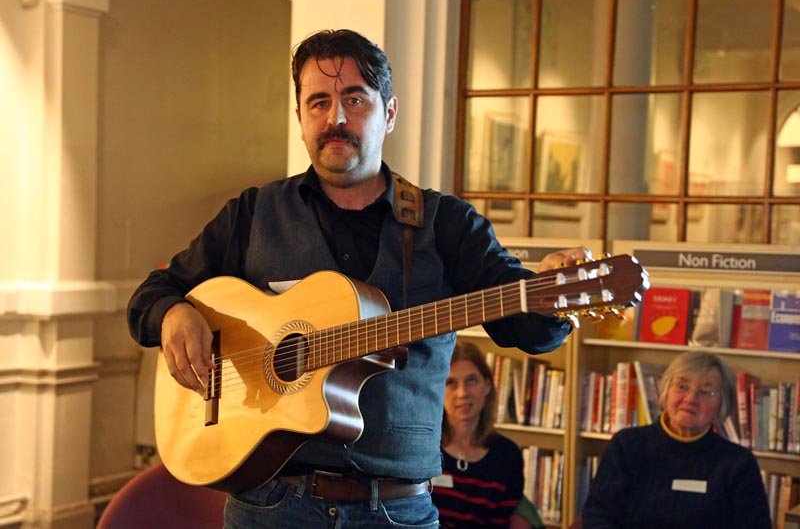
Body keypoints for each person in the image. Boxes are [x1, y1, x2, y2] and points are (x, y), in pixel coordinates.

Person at [127, 28, 587, 528]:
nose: (336, 119)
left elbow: (527, 329)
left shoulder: (447, 225)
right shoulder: (254, 213)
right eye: (319, 103)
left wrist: (553, 295)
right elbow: (152, 295)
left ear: (389, 112)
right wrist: (171, 312)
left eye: (354, 99)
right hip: (269, 506)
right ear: (300, 117)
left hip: (396, 509)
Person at [581, 351, 771, 529]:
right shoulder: (627, 446)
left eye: (706, 392)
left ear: (722, 405)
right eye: (682, 387)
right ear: (665, 390)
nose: (691, 398)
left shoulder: (738, 463)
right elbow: (597, 517)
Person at [432, 341, 544, 528]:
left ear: (488, 386)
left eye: (472, 380)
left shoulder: (507, 455)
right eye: (451, 383)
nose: (463, 393)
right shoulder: (423, 449)